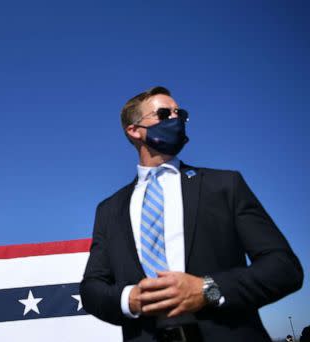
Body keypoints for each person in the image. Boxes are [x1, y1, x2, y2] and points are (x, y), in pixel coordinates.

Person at [80, 86, 303, 342]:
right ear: (134, 130)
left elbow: (284, 268)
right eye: (164, 114)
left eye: (180, 113)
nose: (176, 119)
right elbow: (92, 288)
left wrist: (207, 289)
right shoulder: (109, 210)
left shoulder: (224, 186)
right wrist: (129, 299)